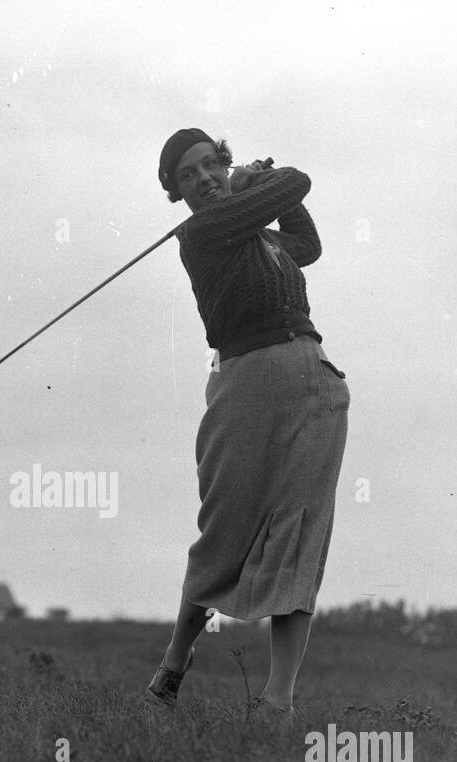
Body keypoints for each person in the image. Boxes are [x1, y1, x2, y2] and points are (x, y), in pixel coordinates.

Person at [145, 127, 350, 718]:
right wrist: (254, 181)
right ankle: (173, 667)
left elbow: (306, 243)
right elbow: (297, 181)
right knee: (224, 531)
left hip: (312, 377)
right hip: (244, 381)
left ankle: (277, 701)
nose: (206, 178)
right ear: (175, 191)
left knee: (301, 529)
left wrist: (260, 188)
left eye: (213, 165)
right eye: (191, 174)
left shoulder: (259, 233)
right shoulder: (203, 232)